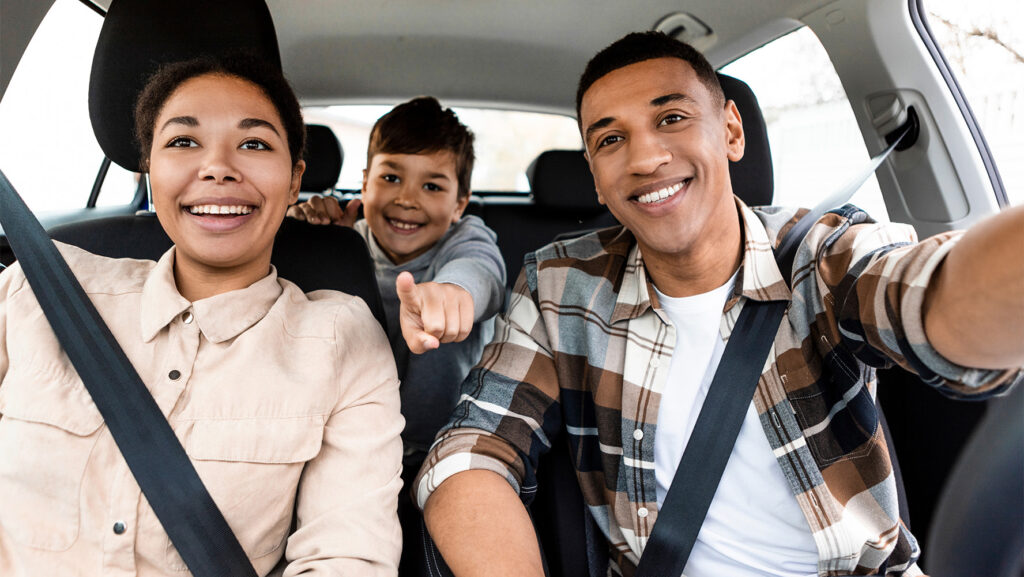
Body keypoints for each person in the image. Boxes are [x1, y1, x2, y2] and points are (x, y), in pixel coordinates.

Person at [413, 32, 1024, 577]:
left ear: (731, 131)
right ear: (596, 176)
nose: (646, 157)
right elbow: (472, 448)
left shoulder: (823, 256)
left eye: (672, 118)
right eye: (611, 138)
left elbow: (929, 294)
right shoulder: (559, 286)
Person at [0, 54, 404, 576]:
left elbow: (346, 559)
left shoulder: (341, 342)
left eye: (254, 143)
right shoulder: (34, 289)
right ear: (149, 167)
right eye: (183, 142)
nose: (217, 167)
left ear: (294, 178)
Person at [287, 97, 505, 570]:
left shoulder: (465, 242)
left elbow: (482, 272)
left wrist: (452, 292)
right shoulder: (340, 238)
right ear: (363, 184)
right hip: (343, 447)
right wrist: (316, 241)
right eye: (390, 177)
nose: (407, 198)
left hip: (437, 447)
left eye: (432, 185)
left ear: (459, 204)